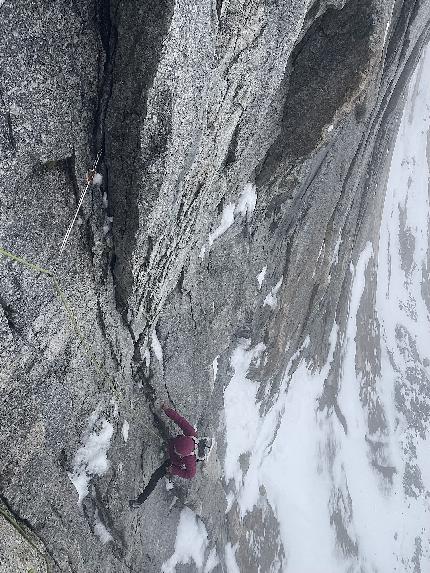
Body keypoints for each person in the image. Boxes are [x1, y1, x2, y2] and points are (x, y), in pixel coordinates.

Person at [129, 404, 212, 508]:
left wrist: (173, 470)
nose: (176, 451)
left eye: (178, 451)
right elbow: (180, 420)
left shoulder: (190, 460)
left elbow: (190, 474)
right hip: (173, 443)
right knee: (165, 433)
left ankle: (139, 502)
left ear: (184, 455)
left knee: (155, 477)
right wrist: (167, 410)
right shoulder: (191, 433)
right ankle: (156, 417)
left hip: (174, 462)